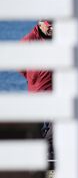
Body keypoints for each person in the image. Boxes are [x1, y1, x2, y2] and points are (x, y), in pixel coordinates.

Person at [20, 20, 54, 159]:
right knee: (37, 123)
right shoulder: (29, 40)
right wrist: (33, 77)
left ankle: (49, 149)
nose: (52, 27)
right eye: (49, 24)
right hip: (38, 88)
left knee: (58, 123)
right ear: (40, 23)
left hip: (57, 88)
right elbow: (19, 64)